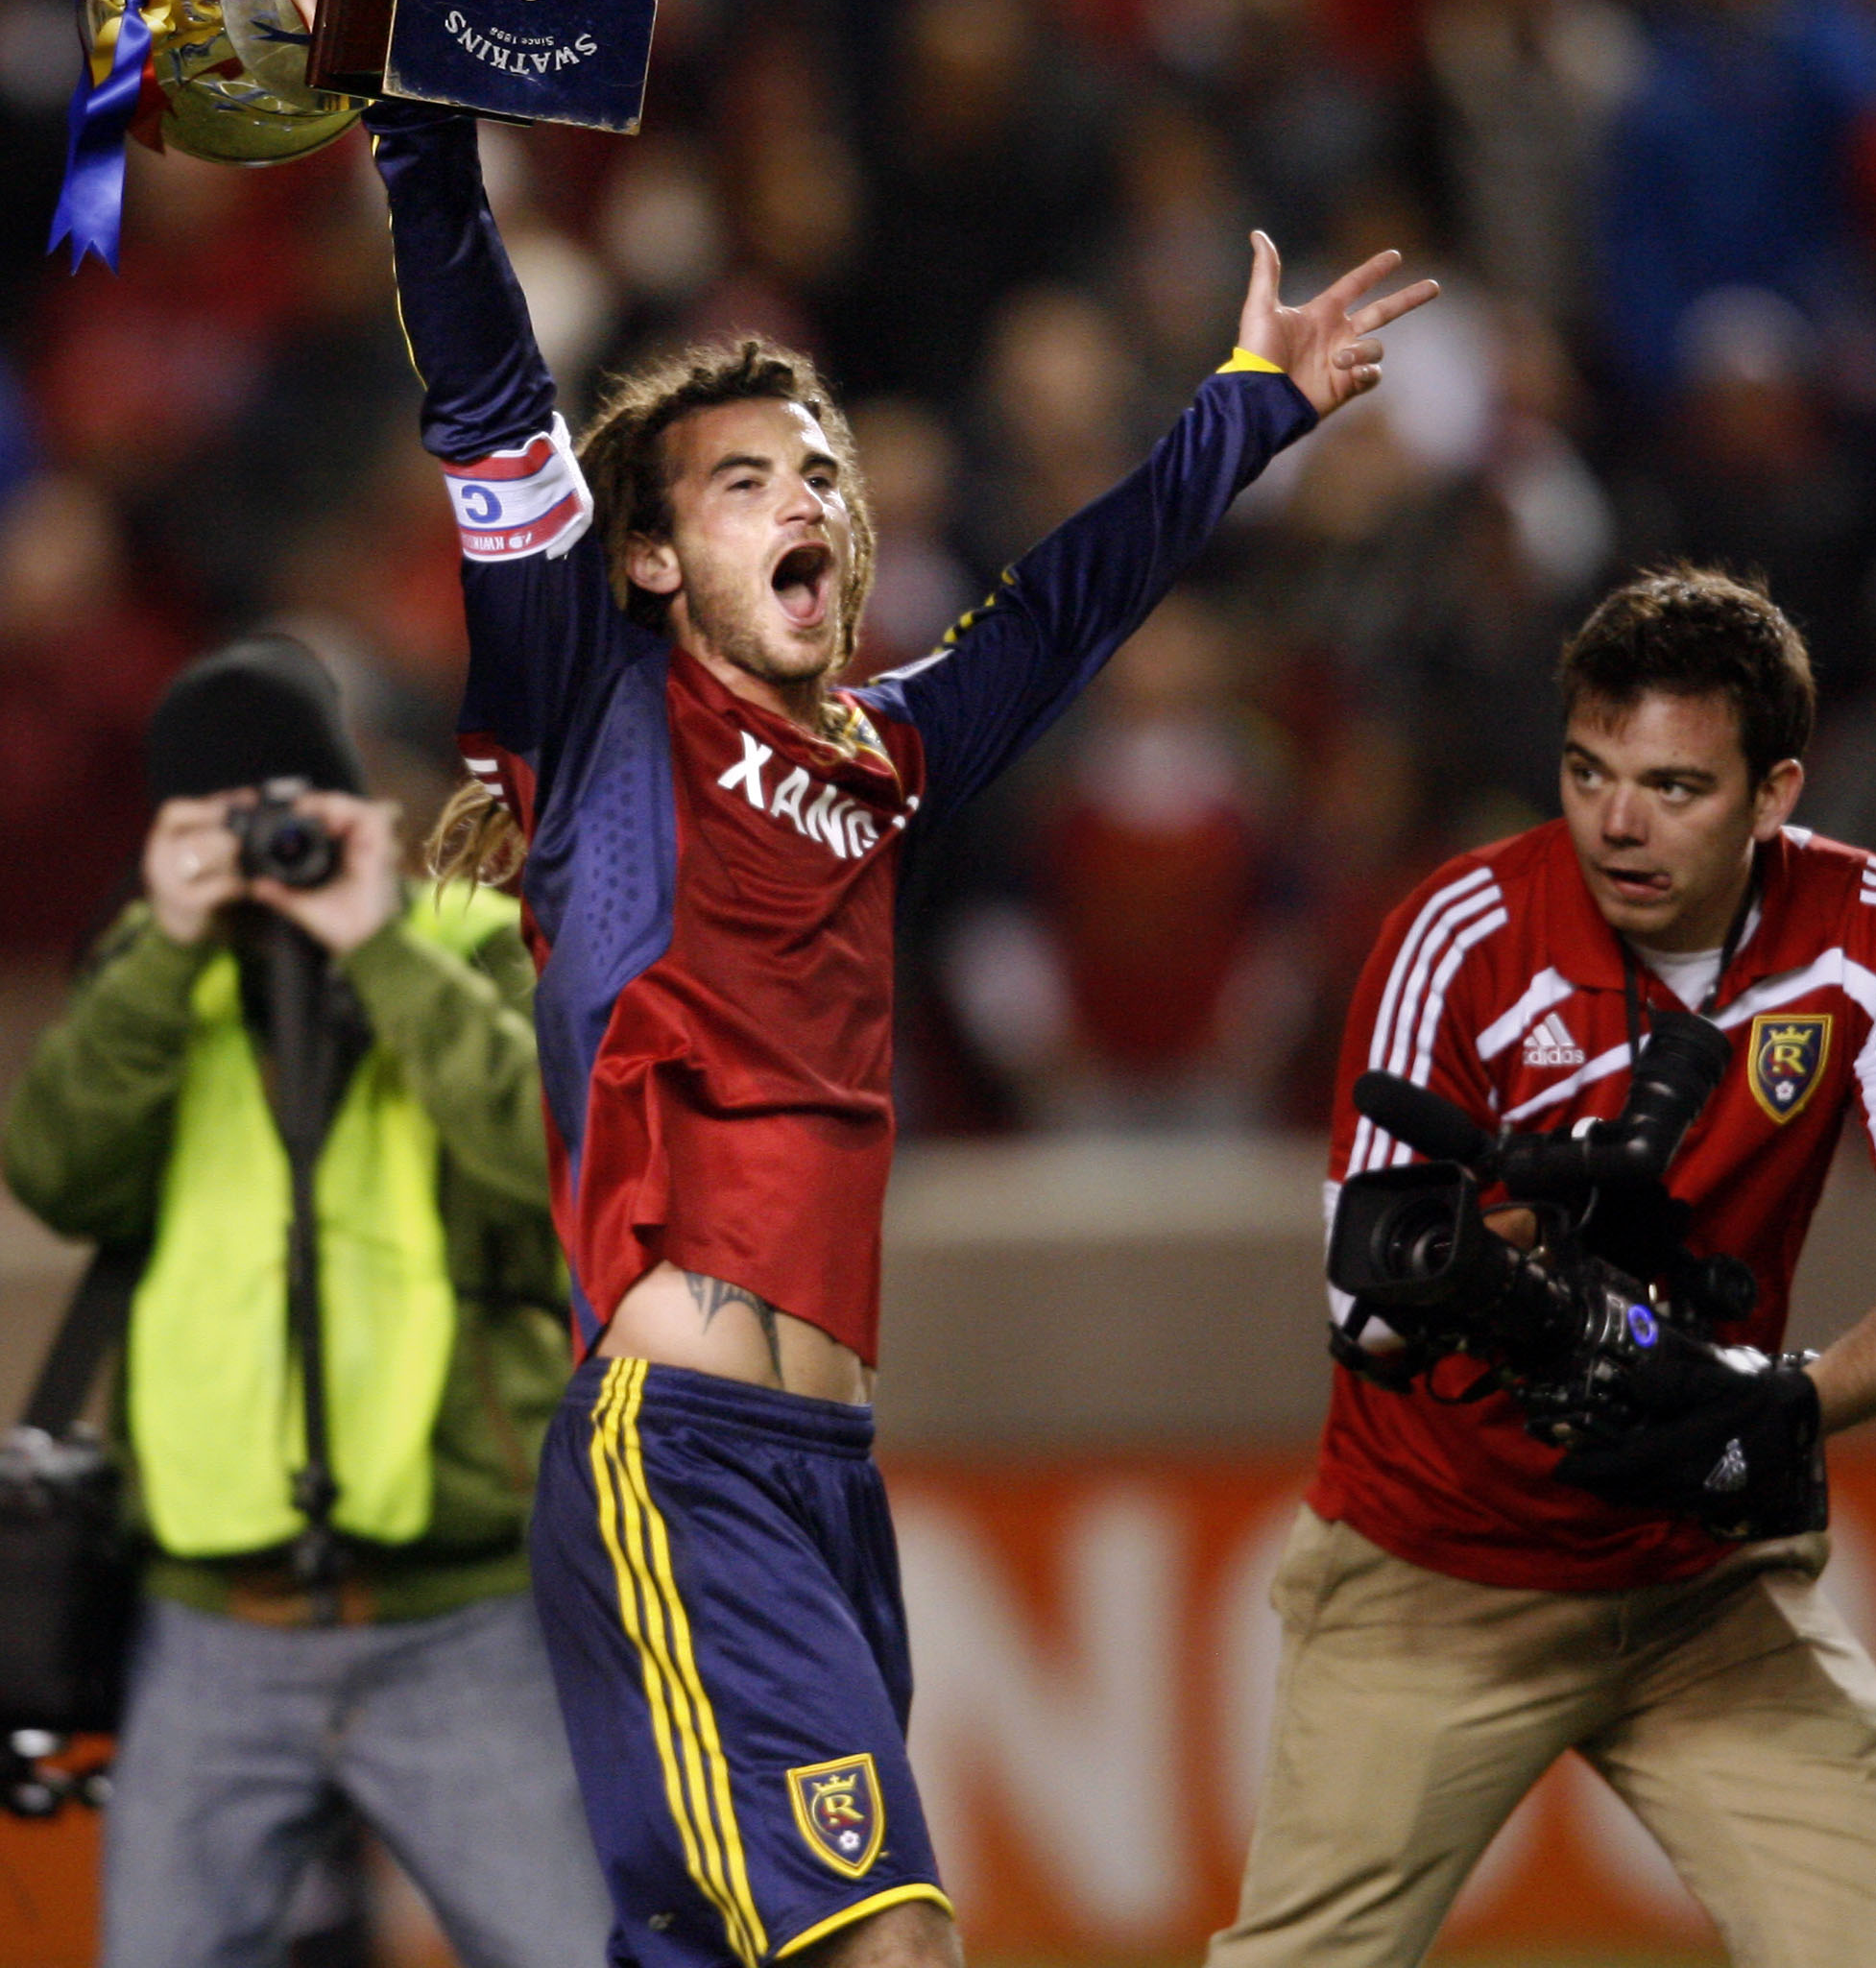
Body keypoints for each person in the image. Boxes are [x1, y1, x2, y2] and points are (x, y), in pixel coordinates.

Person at [361, 95, 1435, 1968]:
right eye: (743, 480)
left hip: (821, 1478)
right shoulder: (600, 710)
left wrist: (1252, 401)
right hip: (681, 1449)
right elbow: (487, 408)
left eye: (821, 474)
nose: (808, 502)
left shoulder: (884, 756)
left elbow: (1070, 602)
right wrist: (430, 154)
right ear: (636, 561)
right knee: (891, 1947)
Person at [1212, 564, 1876, 1968]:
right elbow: (1362, 1300)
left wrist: (1786, 1405)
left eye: (1673, 788)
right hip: (1432, 1575)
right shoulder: (1456, 935)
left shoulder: (1858, 933)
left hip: (1709, 1587)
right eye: (1585, 772)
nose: (1616, 825)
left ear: (1773, 795)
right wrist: (1523, 1252)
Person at [2, 636, 613, 1968]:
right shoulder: (157, 978)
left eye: (294, 811)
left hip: (460, 1615)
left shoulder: (462, 943)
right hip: (211, 1621)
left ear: (356, 803)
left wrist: (378, 944)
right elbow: (52, 1171)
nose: (269, 844)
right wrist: (164, 948)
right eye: (229, 818)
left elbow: (558, 1161)